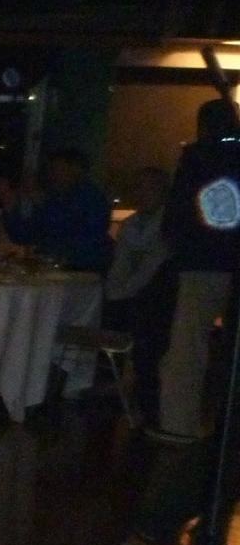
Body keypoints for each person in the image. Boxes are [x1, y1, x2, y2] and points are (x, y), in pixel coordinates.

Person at [156, 99, 240, 441]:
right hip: (231, 259)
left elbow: (179, 210)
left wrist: (176, 243)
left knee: (189, 345)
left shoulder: (198, 158)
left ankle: (179, 423)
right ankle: (228, 428)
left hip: (201, 260)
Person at [102, 166, 175, 426]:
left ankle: (147, 404)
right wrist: (115, 291)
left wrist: (122, 292)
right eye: (138, 188)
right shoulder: (130, 224)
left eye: (148, 188)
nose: (141, 194)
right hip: (132, 294)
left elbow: (151, 268)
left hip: (157, 296)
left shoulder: (169, 225)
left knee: (148, 333)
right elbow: (121, 264)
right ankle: (121, 381)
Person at [0, 148, 113, 273]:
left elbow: (75, 232)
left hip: (85, 268)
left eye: (56, 168)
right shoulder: (52, 197)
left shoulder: (91, 197)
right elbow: (24, 236)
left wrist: (41, 202)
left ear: (75, 169)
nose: (51, 174)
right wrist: (9, 206)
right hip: (52, 266)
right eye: (50, 169)